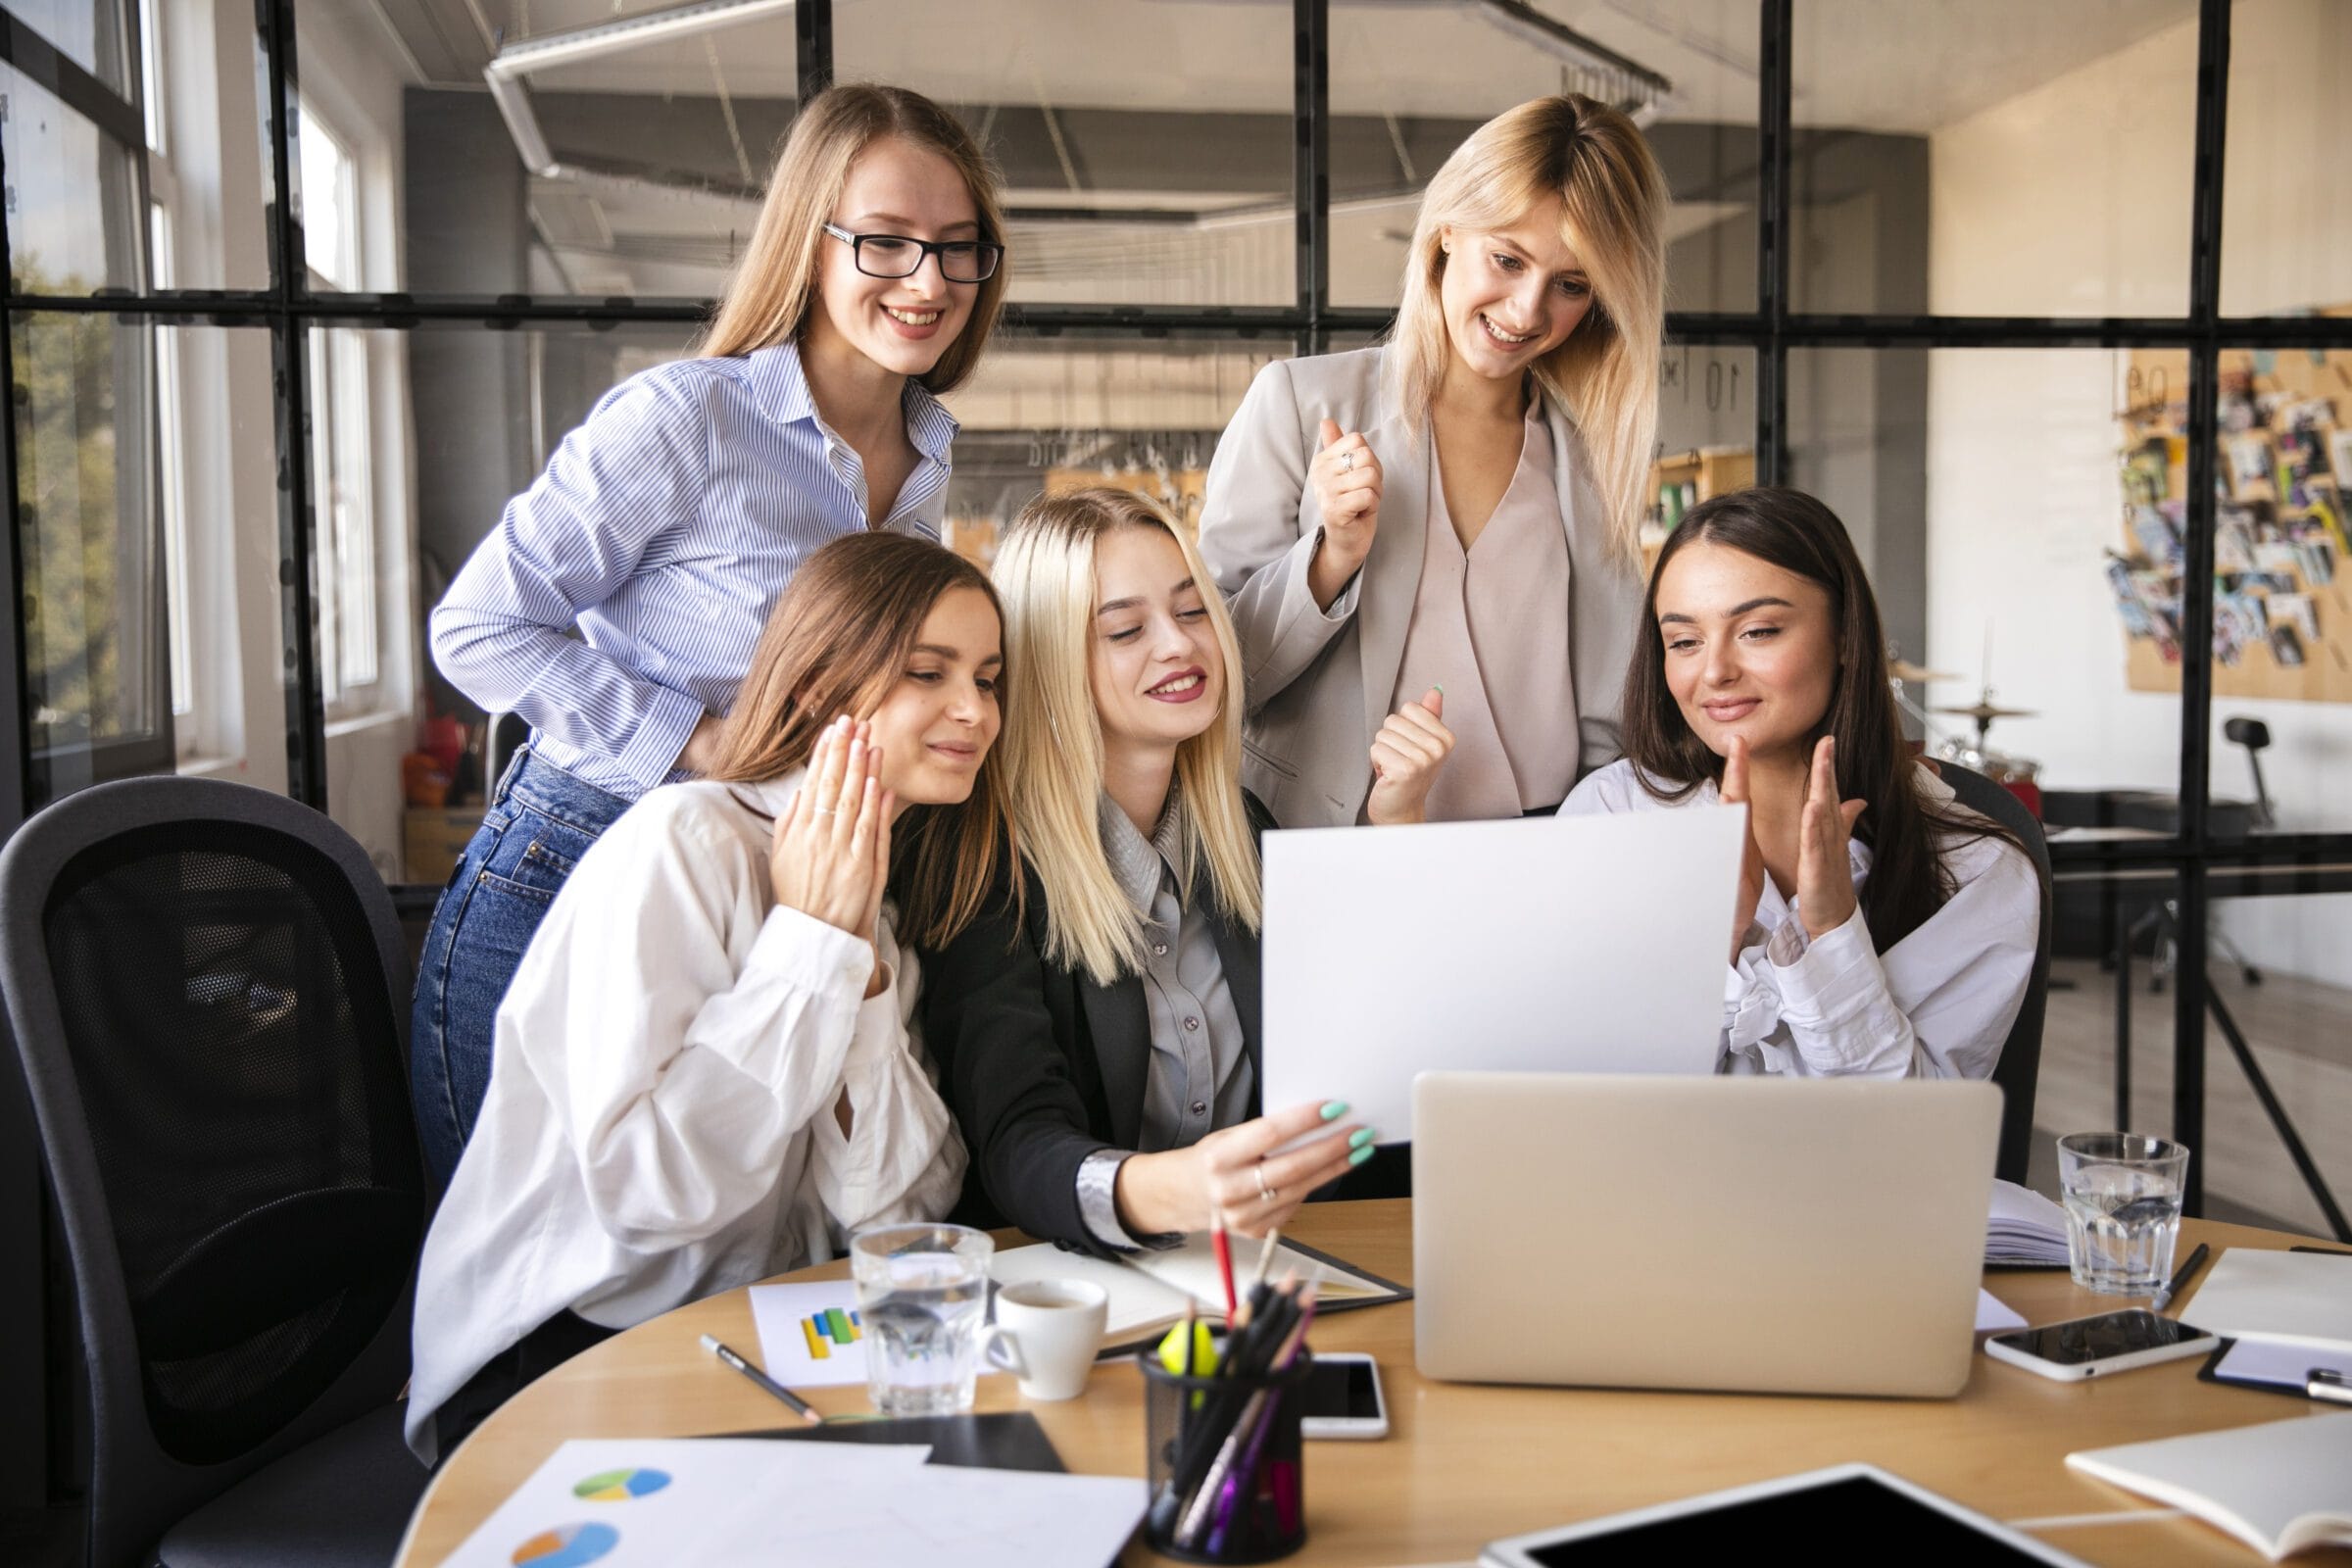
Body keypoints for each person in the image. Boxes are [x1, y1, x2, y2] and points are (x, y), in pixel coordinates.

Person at [412, 83, 1011, 1186]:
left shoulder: (924, 458)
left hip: (756, 891)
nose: (927, 282)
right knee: (540, 1280)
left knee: (711, 1234)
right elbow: (481, 623)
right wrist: (697, 740)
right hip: (570, 869)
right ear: (811, 242)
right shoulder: (688, 417)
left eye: (956, 248)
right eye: (885, 242)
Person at [405, 533, 1008, 1462]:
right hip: (563, 1357)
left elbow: (899, 1218)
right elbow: (648, 1199)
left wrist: (864, 973)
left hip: (751, 1346)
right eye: (928, 674)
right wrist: (809, 949)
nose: (973, 711)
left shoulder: (878, 897)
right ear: (817, 684)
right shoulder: (683, 846)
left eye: (989, 679)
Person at [922, 489, 1447, 1254]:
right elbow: (1017, 1142)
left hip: (1273, 1274)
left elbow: (1350, 1049)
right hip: (1074, 1292)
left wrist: (1395, 824)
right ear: (1048, 662)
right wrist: (1176, 1191)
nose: (1177, 645)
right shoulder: (986, 872)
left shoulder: (1240, 832)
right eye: (1126, 629)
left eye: (1192, 610)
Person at [1199, 94, 1665, 828]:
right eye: (1507, 260)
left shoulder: (1589, 453)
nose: (1526, 310)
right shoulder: (1298, 403)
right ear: (1447, 233)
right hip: (1341, 848)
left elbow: (1611, 712)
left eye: (1571, 285)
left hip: (1542, 854)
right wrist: (1330, 558)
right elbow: (1217, 680)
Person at [1562, 487, 2040, 1080]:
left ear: (1844, 636)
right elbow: (1587, 1096)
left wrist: (1835, 931)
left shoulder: (1975, 866)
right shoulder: (1611, 816)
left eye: (1758, 631)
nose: (1714, 672)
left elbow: (1912, 1138)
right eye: (1684, 641)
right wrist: (1717, 932)